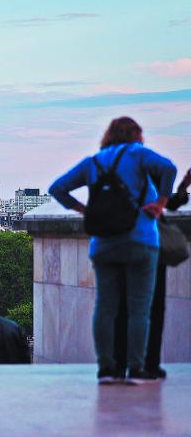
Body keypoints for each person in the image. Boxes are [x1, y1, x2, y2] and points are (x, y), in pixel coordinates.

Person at [49, 116, 176, 385]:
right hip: (141, 239)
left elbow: (57, 188)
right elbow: (168, 168)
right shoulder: (138, 154)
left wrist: (83, 210)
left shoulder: (93, 162)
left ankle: (106, 368)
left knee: (105, 308)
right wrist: (161, 202)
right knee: (140, 308)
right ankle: (136, 367)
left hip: (103, 243)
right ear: (136, 135)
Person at [114, 167, 191, 380]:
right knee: (154, 310)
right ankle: (149, 364)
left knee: (124, 311)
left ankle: (121, 366)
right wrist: (183, 187)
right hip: (151, 248)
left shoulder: (120, 175)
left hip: (126, 249)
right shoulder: (153, 173)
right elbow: (171, 204)